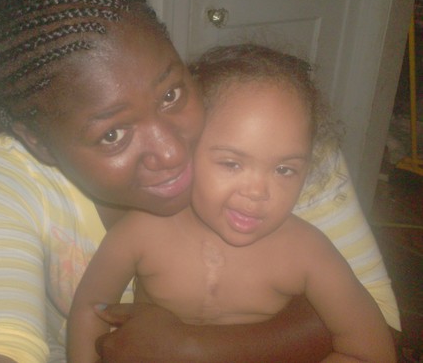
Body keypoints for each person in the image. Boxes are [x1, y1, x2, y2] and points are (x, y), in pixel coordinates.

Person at [0, 0, 400, 362]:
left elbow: (376, 324)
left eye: (171, 93)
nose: (173, 153)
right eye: (112, 135)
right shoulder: (3, 190)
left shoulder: (279, 134)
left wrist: (191, 349)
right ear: (38, 142)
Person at [67, 44, 396, 363]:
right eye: (232, 163)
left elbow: (371, 351)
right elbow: (91, 309)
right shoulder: (140, 232)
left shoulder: (308, 253)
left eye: (284, 170)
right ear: (185, 147)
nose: (258, 192)